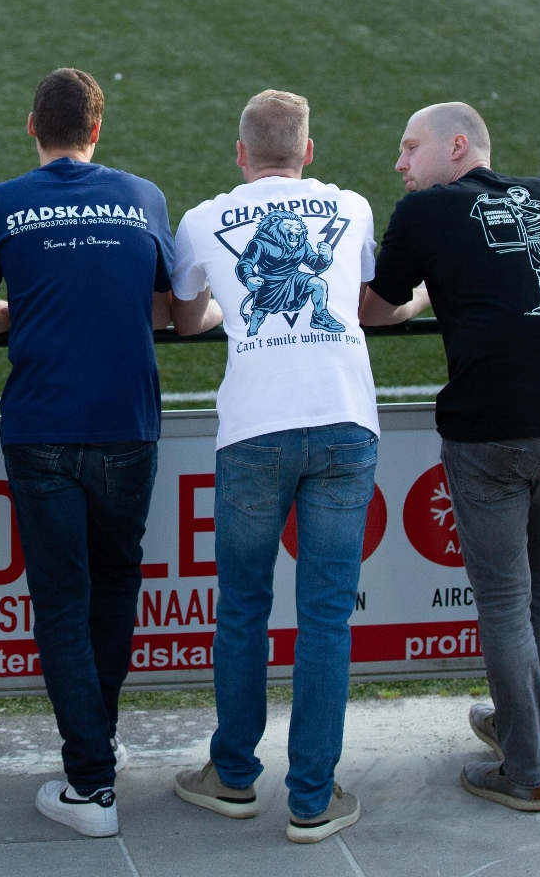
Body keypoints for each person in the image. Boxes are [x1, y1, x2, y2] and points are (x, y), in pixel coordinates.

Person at [362, 102, 540, 814]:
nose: (401, 164)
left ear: (458, 146)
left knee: (505, 594)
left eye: (411, 149)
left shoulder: (427, 213)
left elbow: (372, 310)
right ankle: (514, 728)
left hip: (492, 424)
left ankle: (525, 770)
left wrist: (419, 303)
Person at [0, 68, 175, 838]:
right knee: (113, 586)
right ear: (97, 129)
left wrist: (32, 306)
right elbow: (167, 305)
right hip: (127, 422)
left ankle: (91, 778)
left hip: (43, 425)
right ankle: (95, 752)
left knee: (61, 600)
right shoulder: (144, 197)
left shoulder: (1, 204)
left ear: (31, 127)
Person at [167, 90, 381, 844]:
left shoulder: (200, 219)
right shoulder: (352, 206)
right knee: (325, 614)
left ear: (240, 154)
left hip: (255, 429)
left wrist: (230, 309)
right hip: (344, 421)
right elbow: (360, 297)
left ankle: (232, 775)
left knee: (242, 608)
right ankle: (313, 797)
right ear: (308, 152)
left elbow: (185, 315)